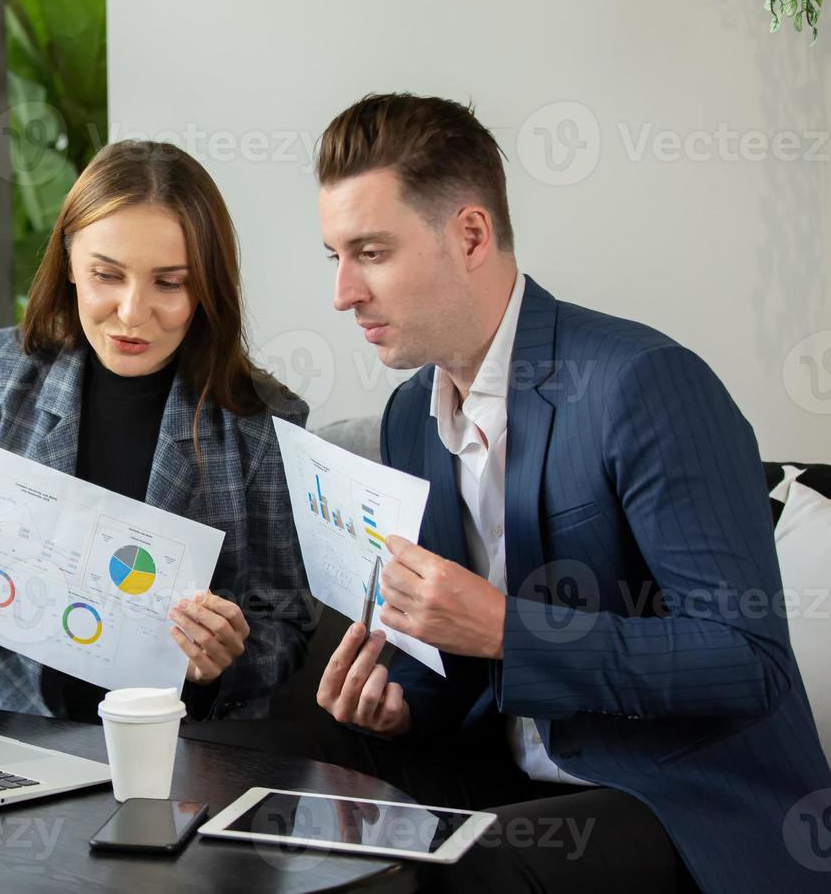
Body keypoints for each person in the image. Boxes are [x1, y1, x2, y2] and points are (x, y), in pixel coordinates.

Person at [194, 93, 831, 892]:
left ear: (469, 235)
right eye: (336, 257)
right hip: (500, 775)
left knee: (478, 870)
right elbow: (450, 664)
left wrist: (507, 628)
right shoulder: (410, 419)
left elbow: (747, 659)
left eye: (372, 252)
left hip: (673, 799)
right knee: (246, 768)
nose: (343, 293)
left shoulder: (642, 384)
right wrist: (400, 702)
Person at [0, 140, 312, 722]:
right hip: (0, 712)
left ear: (206, 286)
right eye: (106, 275)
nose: (133, 313)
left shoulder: (263, 425)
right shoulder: (0, 370)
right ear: (68, 263)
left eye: (169, 284)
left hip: (174, 741)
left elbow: (286, 621)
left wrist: (223, 662)